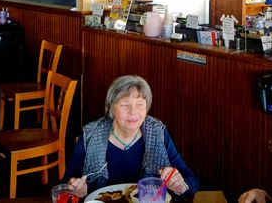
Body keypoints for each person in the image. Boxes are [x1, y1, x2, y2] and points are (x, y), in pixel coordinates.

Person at [63, 75, 198, 198]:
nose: (133, 112)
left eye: (140, 105)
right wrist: (75, 191)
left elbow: (191, 181)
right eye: (125, 105)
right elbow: (65, 186)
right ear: (111, 108)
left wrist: (181, 186)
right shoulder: (91, 135)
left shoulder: (158, 133)